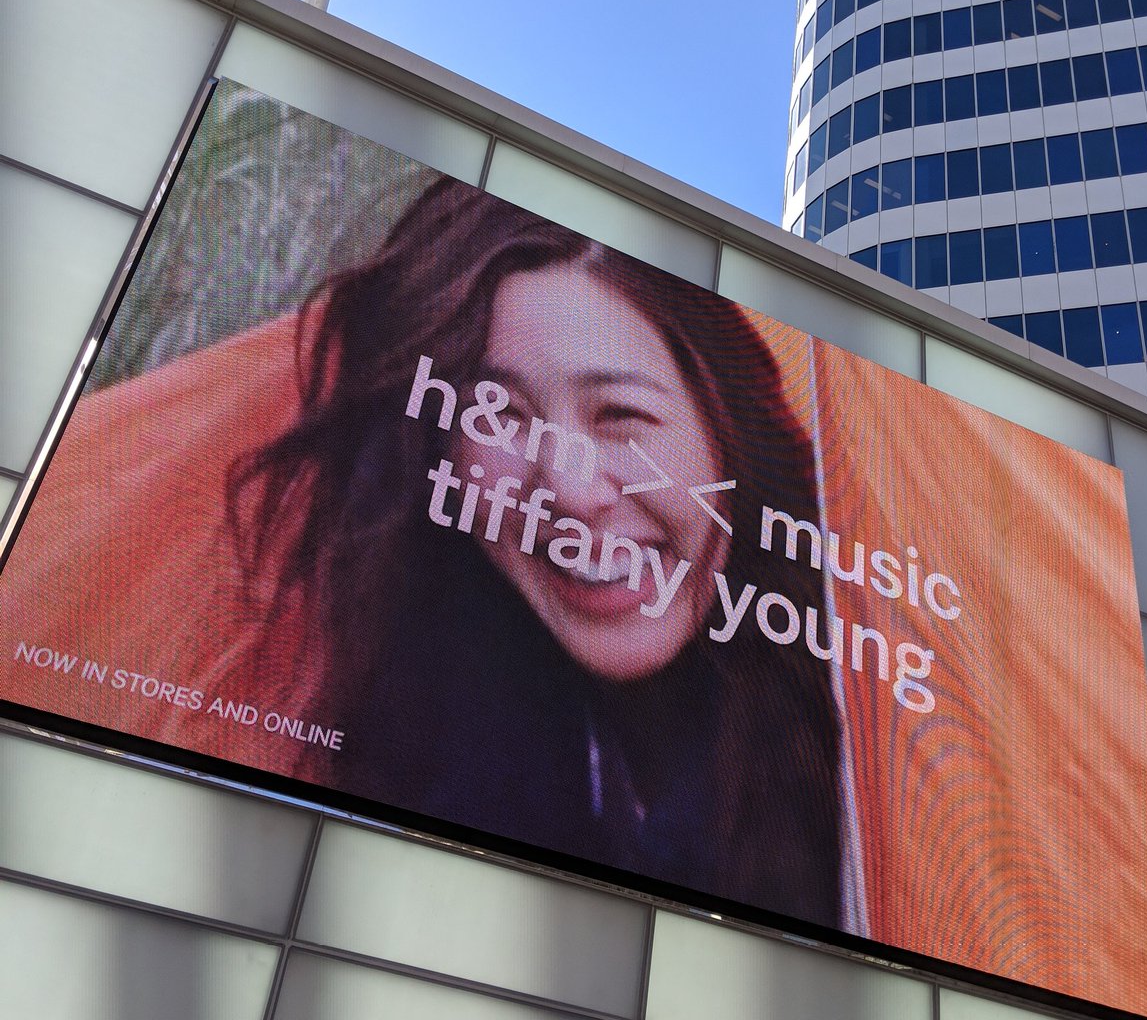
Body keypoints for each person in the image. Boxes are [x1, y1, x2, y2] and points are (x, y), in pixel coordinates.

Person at [0, 177, 845, 930]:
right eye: (497, 416)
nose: (569, 487)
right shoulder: (396, 690)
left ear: (728, 437)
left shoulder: (870, 783)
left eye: (621, 416)